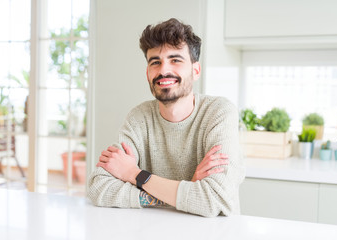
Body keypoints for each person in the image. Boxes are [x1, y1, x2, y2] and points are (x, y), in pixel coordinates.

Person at [87, 18, 245, 217]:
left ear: (195, 70)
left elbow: (214, 199)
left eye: (175, 60)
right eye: (155, 62)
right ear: (147, 73)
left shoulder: (218, 112)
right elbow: (98, 187)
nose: (163, 70)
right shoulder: (139, 118)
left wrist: (135, 175)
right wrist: (185, 190)